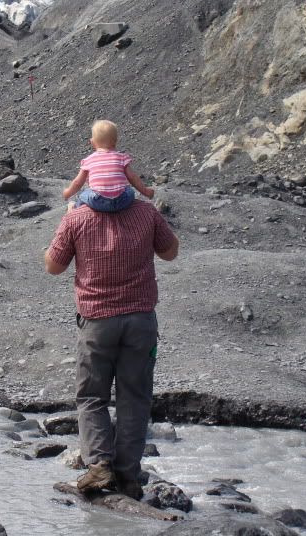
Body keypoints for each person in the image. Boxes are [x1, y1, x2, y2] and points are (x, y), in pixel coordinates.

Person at [44, 195, 178, 500]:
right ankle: (127, 476)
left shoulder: (76, 218)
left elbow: (53, 266)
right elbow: (170, 252)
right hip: (141, 321)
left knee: (92, 396)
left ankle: (99, 465)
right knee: (135, 398)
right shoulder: (146, 213)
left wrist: (67, 219)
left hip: (97, 321)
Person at [62, 120, 155, 212]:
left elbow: (78, 182)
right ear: (116, 141)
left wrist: (67, 193)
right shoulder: (122, 158)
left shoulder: (89, 160)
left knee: (83, 195)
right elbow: (133, 178)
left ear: (92, 142)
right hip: (122, 200)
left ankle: (74, 209)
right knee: (130, 191)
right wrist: (146, 191)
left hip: (98, 201)